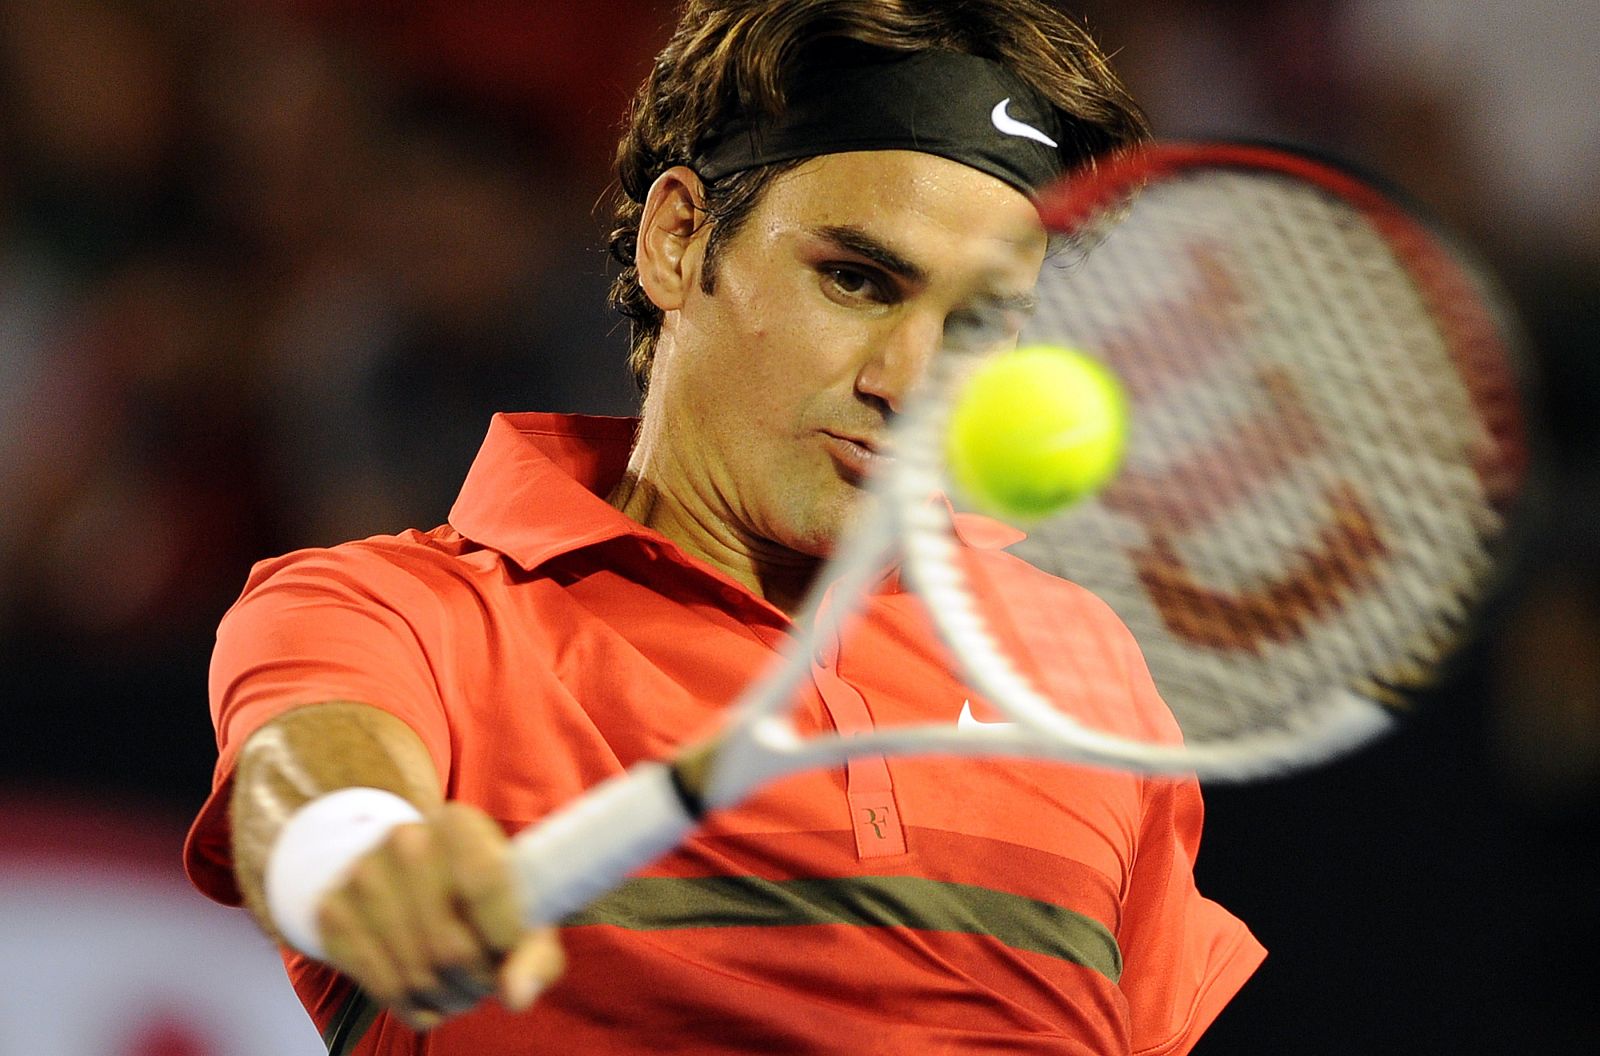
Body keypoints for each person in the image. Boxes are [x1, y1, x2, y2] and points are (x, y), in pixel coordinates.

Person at [183, 2, 1265, 1053]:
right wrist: (369, 861)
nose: (913, 382)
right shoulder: (395, 614)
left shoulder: (1086, 675)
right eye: (855, 279)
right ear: (675, 238)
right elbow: (313, 777)